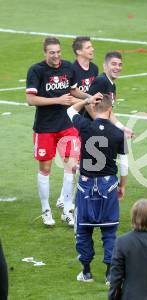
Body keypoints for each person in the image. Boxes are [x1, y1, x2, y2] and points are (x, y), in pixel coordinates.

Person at [26, 37, 96, 227]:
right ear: (45, 53)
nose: (56, 56)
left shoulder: (67, 68)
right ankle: (46, 210)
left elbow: (73, 91)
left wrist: (90, 97)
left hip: (67, 125)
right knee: (45, 169)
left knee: (71, 167)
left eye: (58, 52)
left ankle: (66, 208)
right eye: (52, 52)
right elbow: (31, 100)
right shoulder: (36, 70)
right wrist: (57, 100)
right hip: (44, 127)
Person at [66, 94, 128, 284]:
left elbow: (70, 110)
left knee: (84, 230)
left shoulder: (85, 126)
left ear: (96, 107)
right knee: (109, 230)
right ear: (110, 110)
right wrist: (122, 186)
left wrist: (85, 101)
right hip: (108, 185)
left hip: (86, 185)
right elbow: (124, 165)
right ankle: (109, 274)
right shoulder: (119, 133)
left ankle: (86, 272)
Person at [53, 36, 100, 211]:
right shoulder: (72, 70)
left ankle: (63, 198)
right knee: (74, 164)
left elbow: (93, 94)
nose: (92, 49)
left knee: (79, 163)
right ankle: (65, 200)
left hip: (86, 119)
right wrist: (88, 102)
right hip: (72, 121)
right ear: (79, 51)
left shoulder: (94, 68)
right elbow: (69, 97)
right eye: (88, 47)